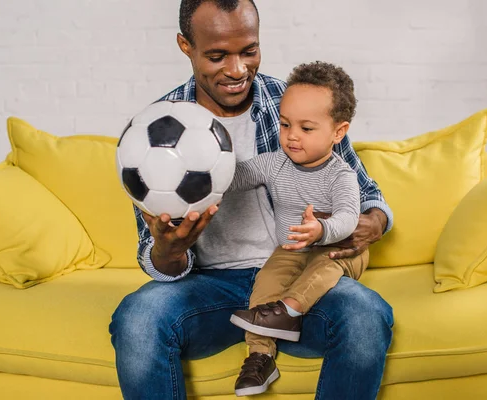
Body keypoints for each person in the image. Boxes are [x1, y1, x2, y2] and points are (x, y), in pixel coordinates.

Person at [109, 1, 395, 399]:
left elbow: (367, 196)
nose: (237, 69)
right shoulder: (154, 131)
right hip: (209, 288)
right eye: (216, 55)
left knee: (366, 316)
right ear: (185, 45)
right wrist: (169, 250)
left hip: (295, 280)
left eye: (249, 51)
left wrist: (372, 223)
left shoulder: (296, 102)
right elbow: (155, 257)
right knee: (137, 320)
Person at [227, 61, 367, 397]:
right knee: (265, 285)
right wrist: (207, 173)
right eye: (286, 124)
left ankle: (289, 310)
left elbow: (349, 217)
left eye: (306, 128)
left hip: (341, 250)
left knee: (325, 266)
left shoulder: (340, 175)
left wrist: (321, 229)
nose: (291, 136)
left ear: (338, 131)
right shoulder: (275, 163)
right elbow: (239, 177)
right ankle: (260, 357)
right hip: (291, 249)